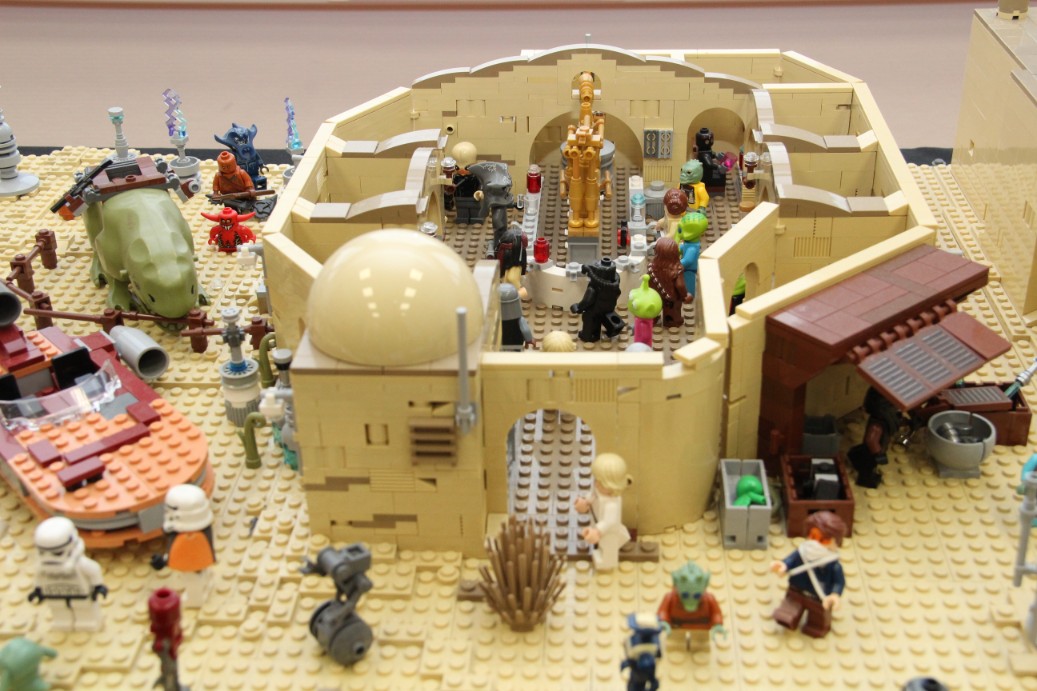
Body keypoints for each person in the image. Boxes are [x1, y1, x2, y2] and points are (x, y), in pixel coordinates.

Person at [771, 510, 847, 638]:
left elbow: (839, 582)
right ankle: (789, 621)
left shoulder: (833, 565)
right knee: (787, 612)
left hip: (818, 598)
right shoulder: (802, 552)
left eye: (823, 540)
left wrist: (834, 595)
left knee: (818, 619)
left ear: (835, 541)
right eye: (813, 536)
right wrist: (783, 565)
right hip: (796, 590)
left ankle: (815, 627)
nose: (815, 543)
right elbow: (791, 560)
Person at [574, 453, 633, 571]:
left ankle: (606, 563)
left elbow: (608, 522)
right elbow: (592, 497)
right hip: (597, 524)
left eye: (601, 482)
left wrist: (597, 531)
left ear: (613, 485)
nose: (596, 484)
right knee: (603, 544)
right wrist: (585, 502)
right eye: (596, 479)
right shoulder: (598, 490)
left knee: (608, 547)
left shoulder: (612, 504)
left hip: (608, 533)